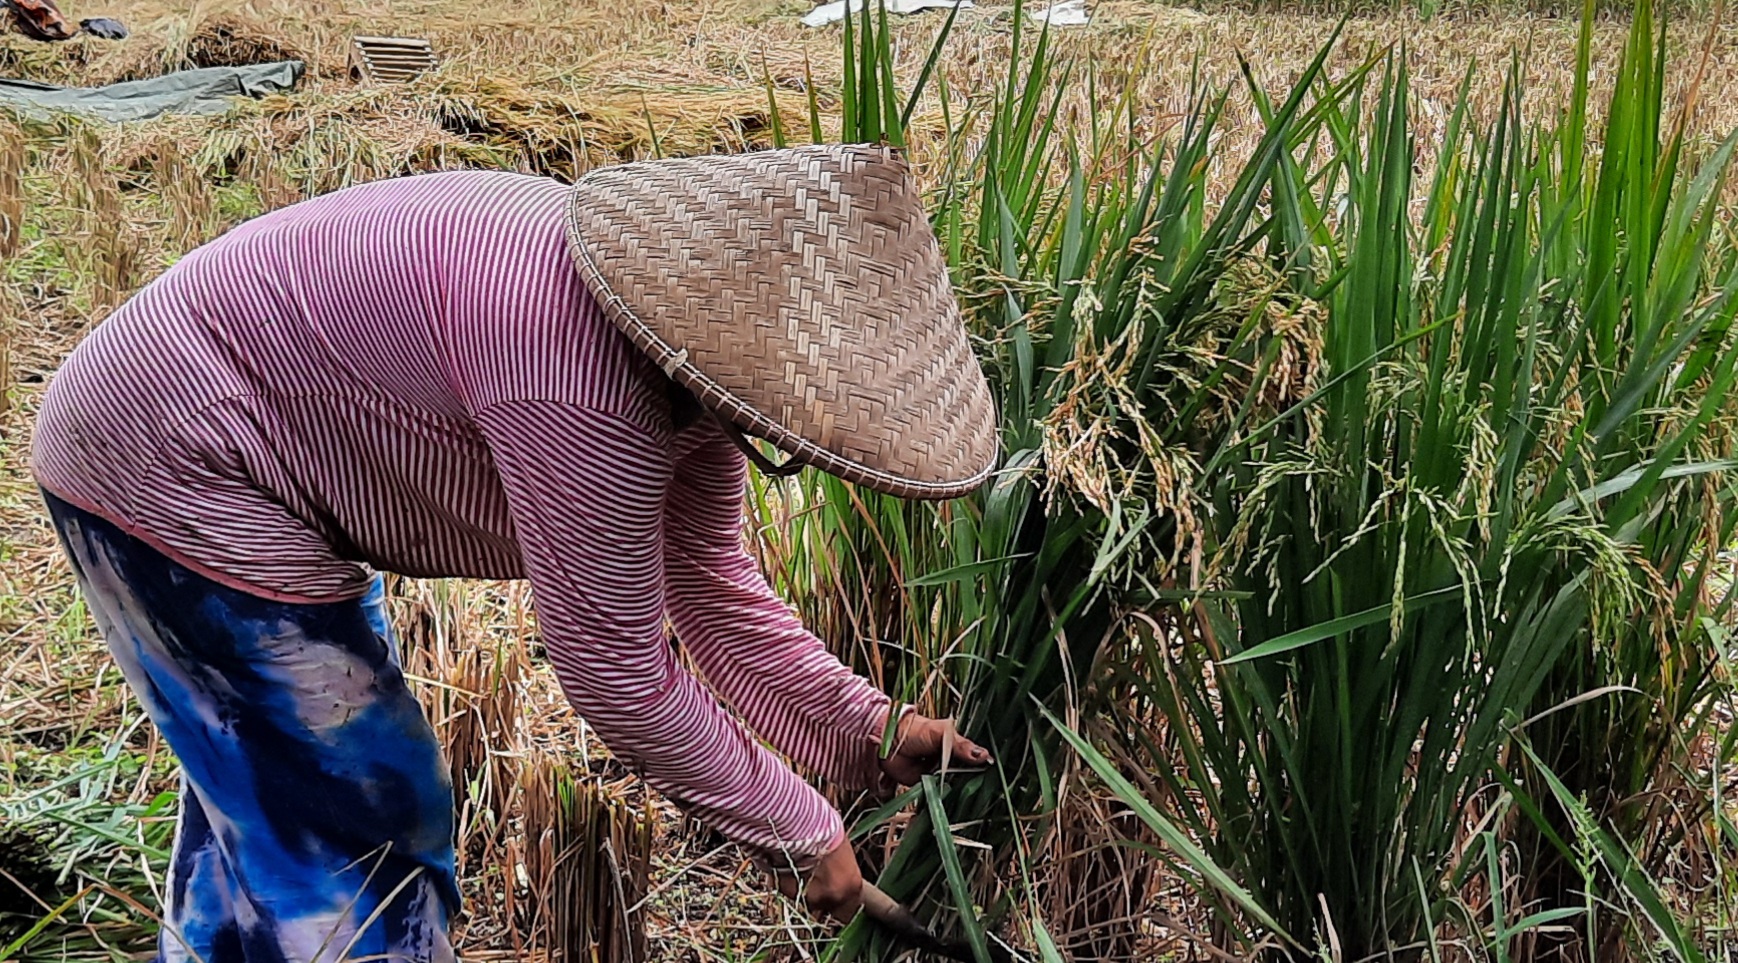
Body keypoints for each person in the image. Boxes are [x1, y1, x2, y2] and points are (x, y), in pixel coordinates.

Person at [31, 143, 1001, 963]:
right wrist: (800, 832)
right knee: (362, 822)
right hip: (166, 455)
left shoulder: (692, 357)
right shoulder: (581, 379)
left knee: (277, 802)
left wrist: (867, 731)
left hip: (190, 436)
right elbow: (617, 671)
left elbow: (708, 588)